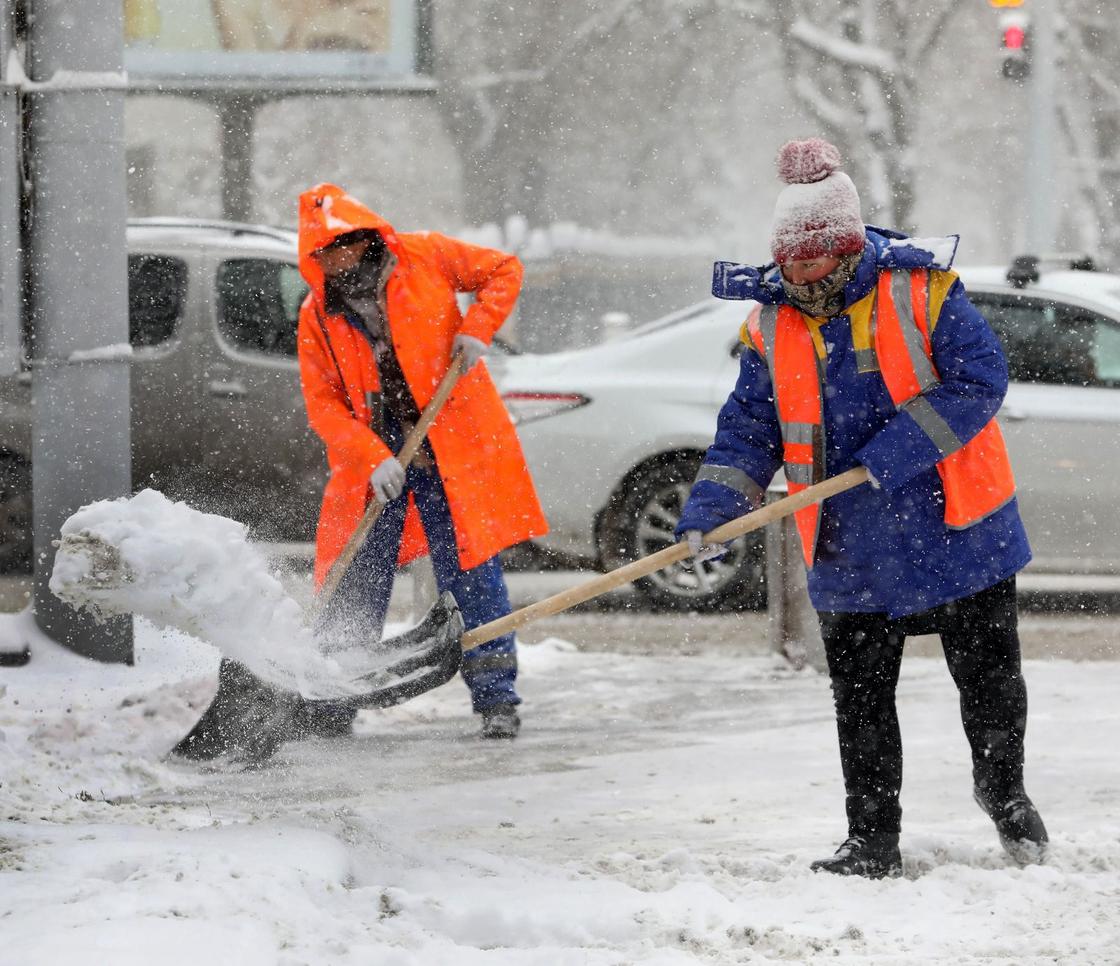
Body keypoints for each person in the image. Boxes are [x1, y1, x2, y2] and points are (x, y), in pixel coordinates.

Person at [676, 139, 1048, 877]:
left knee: (990, 685)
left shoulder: (923, 291)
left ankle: (1003, 793)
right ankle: (871, 840)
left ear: (845, 247)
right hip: (849, 544)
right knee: (862, 702)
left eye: (813, 259)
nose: (798, 273)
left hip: (956, 526)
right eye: (789, 259)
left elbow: (980, 382)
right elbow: (750, 428)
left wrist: (892, 454)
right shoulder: (771, 322)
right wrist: (714, 506)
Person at [296, 183, 548, 739]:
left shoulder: (425, 256)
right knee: (356, 575)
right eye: (323, 252)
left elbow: (503, 270)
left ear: (365, 239)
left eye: (342, 245)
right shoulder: (318, 315)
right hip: (376, 454)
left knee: (471, 571)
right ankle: (332, 704)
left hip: (449, 437)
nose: (335, 259)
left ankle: (496, 699)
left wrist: (477, 330)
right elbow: (324, 406)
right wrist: (371, 456)